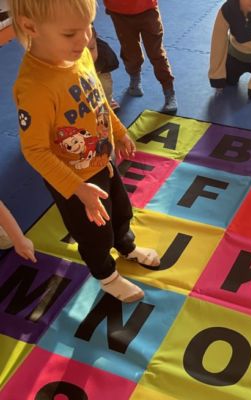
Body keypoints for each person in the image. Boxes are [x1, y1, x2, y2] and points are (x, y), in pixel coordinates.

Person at [9, 0, 161, 303]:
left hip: (102, 160)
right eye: (70, 33)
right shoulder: (35, 86)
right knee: (93, 234)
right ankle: (106, 275)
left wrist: (119, 131)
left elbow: (99, 101)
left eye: (89, 27)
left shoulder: (78, 56)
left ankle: (126, 246)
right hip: (74, 180)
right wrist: (78, 189)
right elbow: (35, 150)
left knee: (121, 210)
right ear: (30, 27)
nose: (84, 40)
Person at [102, 0, 178, 114]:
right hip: (119, 12)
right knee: (130, 51)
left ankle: (169, 91)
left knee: (156, 53)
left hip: (147, 9)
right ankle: (135, 80)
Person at [87, 26, 120, 111]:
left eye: (91, 48)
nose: (86, 56)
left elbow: (112, 64)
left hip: (98, 71)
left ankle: (107, 103)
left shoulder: (104, 52)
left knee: (105, 86)